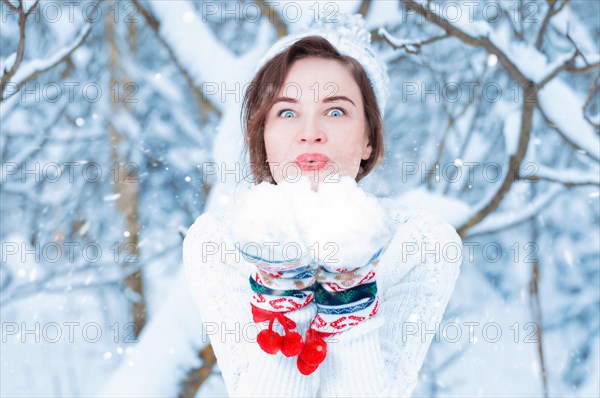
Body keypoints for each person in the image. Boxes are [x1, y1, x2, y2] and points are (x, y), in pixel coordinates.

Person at [183, 13, 463, 397]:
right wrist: (282, 288)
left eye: (335, 111)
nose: (310, 134)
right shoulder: (218, 243)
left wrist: (349, 296)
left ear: (369, 137)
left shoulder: (422, 242)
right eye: (286, 112)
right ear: (262, 134)